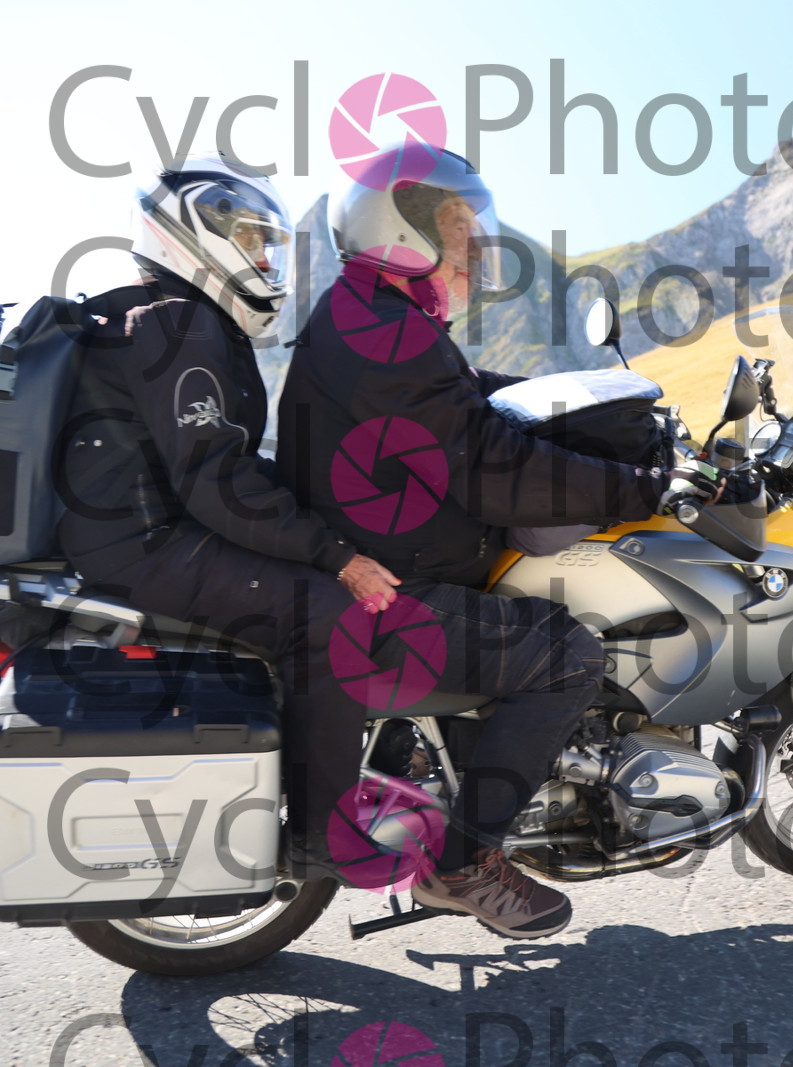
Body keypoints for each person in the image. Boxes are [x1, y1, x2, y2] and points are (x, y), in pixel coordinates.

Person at [278, 143, 714, 938]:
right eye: (457, 224)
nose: (475, 244)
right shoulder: (381, 331)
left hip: (385, 569)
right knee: (566, 655)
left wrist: (598, 407)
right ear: (402, 229)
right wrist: (642, 487)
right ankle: (464, 862)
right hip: (387, 596)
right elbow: (488, 468)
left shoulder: (375, 317)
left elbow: (470, 403)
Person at [53, 152, 401, 881]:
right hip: (146, 543)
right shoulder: (180, 326)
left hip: (151, 531)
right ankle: (321, 837)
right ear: (192, 235)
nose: (265, 260)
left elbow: (223, 464)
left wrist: (329, 514)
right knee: (329, 615)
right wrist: (336, 555)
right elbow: (216, 481)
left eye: (268, 244)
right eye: (249, 240)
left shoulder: (181, 320)